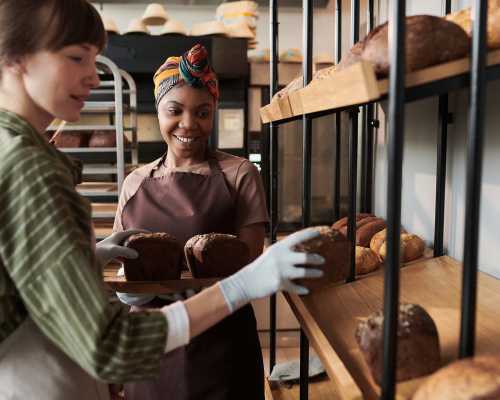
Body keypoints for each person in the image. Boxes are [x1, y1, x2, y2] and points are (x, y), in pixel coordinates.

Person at [0, 1, 324, 400]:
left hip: (210, 353)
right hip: (60, 379)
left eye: (203, 112)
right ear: (15, 57)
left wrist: (87, 259)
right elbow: (110, 346)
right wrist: (243, 286)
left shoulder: (10, 151)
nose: (94, 77)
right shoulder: (34, 168)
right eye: (76, 57)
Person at [112, 44, 273, 400]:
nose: (189, 124)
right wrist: (127, 290)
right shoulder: (134, 183)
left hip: (222, 345)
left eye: (202, 112)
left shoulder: (240, 174)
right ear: (158, 111)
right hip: (152, 346)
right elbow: (121, 269)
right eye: (175, 110)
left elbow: (250, 266)